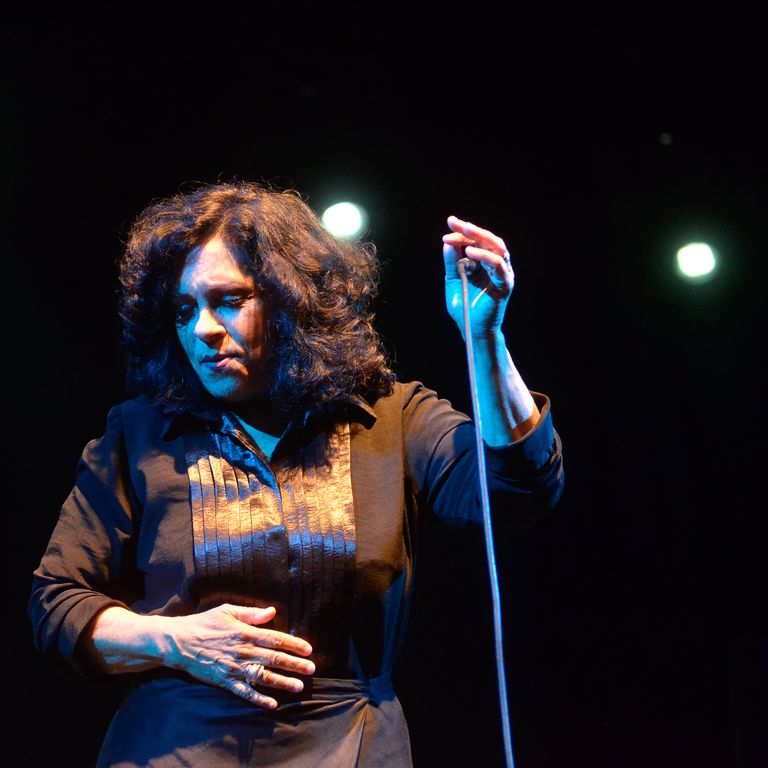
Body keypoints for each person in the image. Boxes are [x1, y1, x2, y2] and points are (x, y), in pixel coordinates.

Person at [28, 181, 564, 766]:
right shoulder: (139, 434)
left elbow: (514, 489)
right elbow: (57, 605)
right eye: (184, 310)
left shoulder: (388, 415)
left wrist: (482, 337)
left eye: (229, 300)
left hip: (351, 744)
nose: (203, 328)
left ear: (290, 301)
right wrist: (175, 640)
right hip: (174, 747)